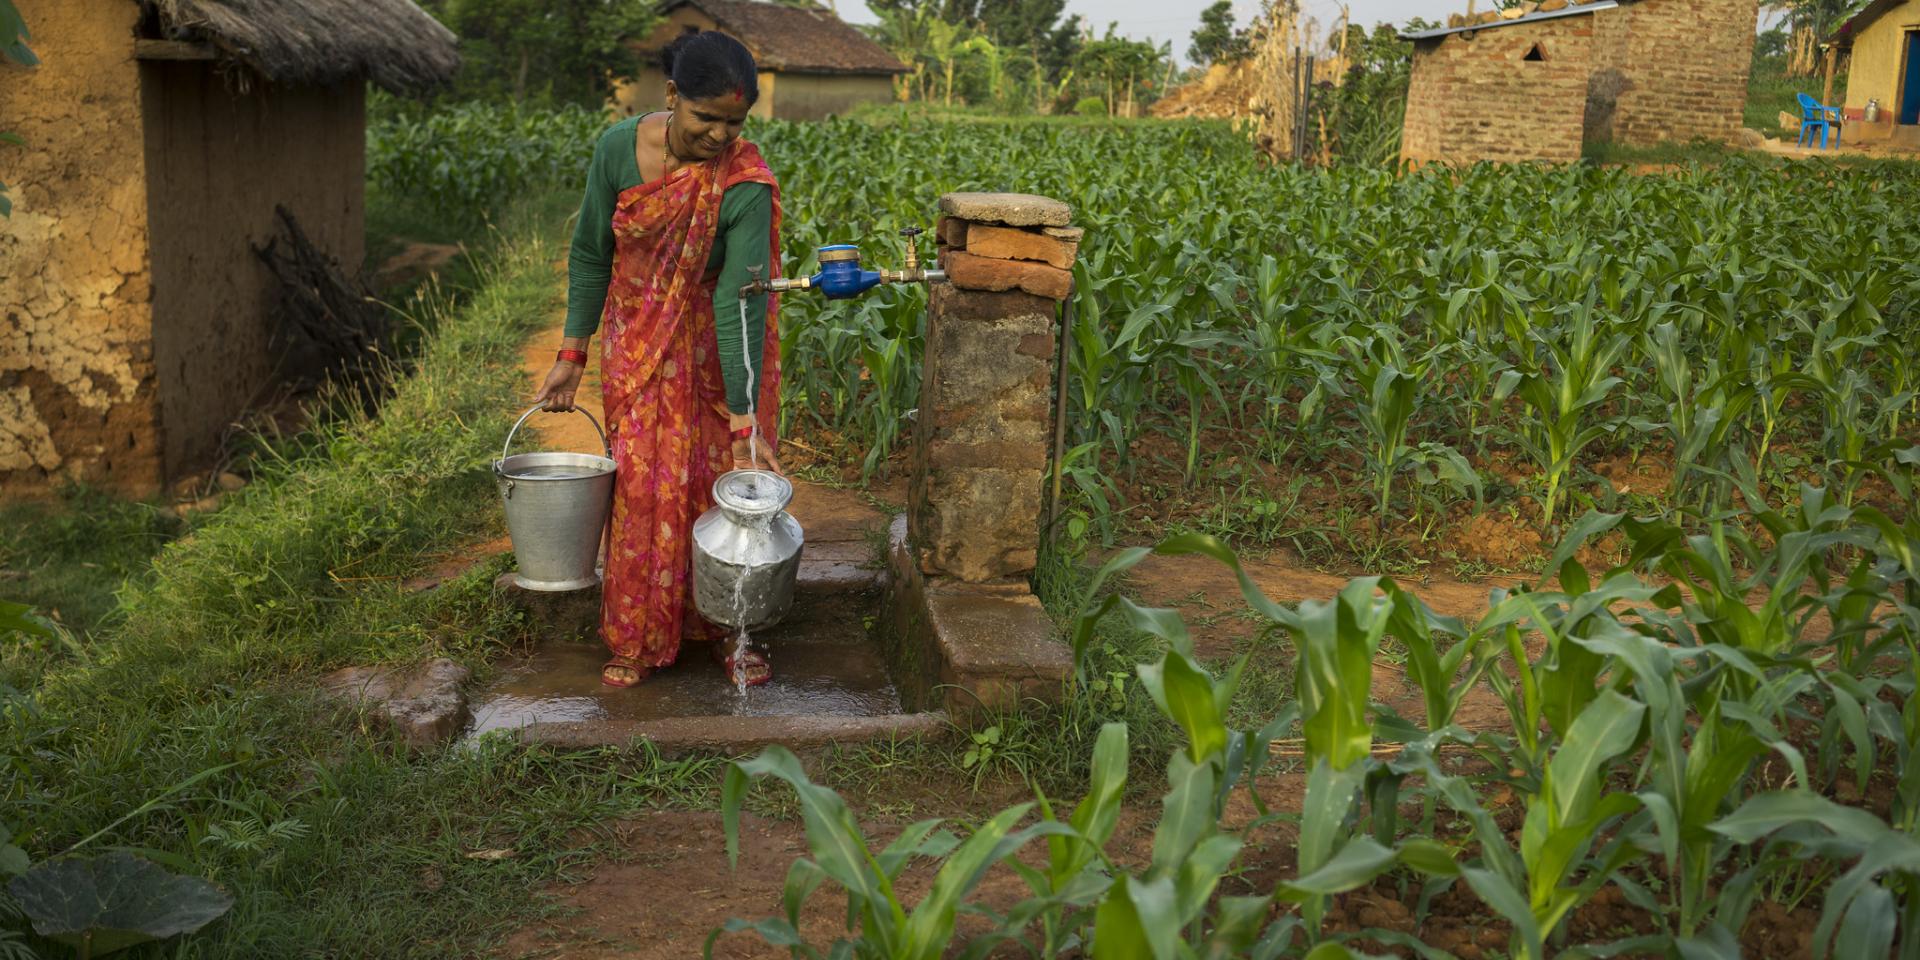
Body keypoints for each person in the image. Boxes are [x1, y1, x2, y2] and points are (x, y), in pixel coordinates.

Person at [532, 30, 783, 689]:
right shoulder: (617, 149)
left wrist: (743, 416)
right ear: (672, 95)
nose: (720, 136)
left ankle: (734, 630)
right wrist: (573, 353)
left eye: (735, 122)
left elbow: (738, 299)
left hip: (716, 352)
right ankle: (638, 635)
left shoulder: (745, 183)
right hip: (638, 342)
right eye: (706, 117)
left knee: (724, 484)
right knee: (644, 487)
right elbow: (592, 252)